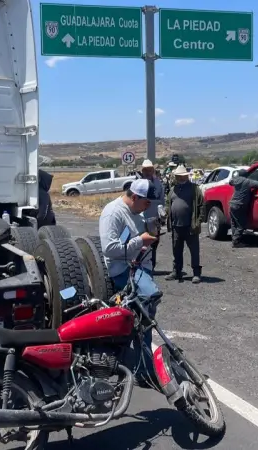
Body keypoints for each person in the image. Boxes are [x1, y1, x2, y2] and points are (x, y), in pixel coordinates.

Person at [98, 178, 161, 385]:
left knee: (144, 313)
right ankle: (142, 368)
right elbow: (109, 248)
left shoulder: (136, 211)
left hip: (138, 266)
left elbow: (132, 237)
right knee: (148, 301)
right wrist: (140, 241)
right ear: (134, 197)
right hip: (123, 269)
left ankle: (137, 358)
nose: (148, 206)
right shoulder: (113, 213)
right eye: (147, 202)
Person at [166, 165, 205, 283]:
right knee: (176, 250)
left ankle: (196, 273)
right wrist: (166, 211)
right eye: (178, 176)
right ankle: (177, 272)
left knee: (194, 250)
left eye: (183, 176)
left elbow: (202, 205)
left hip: (190, 226)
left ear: (186, 176)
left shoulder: (194, 189)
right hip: (176, 226)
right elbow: (168, 203)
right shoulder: (173, 189)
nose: (181, 178)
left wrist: (198, 221)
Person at [139, 160, 166, 269]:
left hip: (155, 218)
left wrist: (162, 215)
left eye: (149, 169)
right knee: (141, 241)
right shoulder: (138, 183)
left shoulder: (158, 184)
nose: (147, 172)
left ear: (153, 170)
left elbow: (162, 200)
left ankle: (152, 265)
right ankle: (140, 264)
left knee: (154, 241)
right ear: (142, 171)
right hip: (141, 217)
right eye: (145, 170)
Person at [228, 169, 258, 248]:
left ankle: (234, 240)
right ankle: (236, 242)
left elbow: (230, 182)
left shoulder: (235, 180)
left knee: (234, 223)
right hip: (240, 205)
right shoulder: (248, 181)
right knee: (241, 224)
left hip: (232, 204)